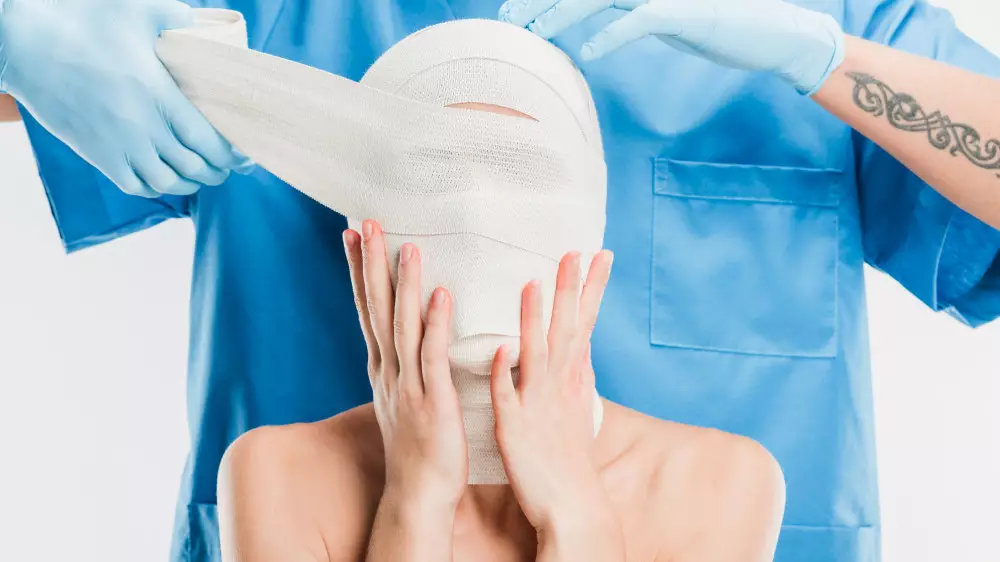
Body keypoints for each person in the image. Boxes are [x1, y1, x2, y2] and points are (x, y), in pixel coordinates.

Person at [1, 0, 997, 561]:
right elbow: (75, 66)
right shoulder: (276, 15)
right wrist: (22, 35)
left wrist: (827, 57)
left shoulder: (816, 13)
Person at [215, 22, 784, 558]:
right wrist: (414, 505)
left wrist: (574, 515)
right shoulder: (276, 474)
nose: (475, 215)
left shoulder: (719, 484)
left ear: (591, 223)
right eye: (430, 175)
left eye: (523, 172)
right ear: (362, 237)